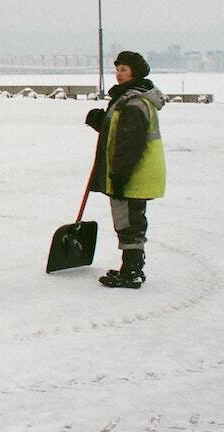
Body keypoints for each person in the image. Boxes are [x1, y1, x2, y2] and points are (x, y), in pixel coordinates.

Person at [84, 50, 167, 289]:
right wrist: (100, 121)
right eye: (118, 69)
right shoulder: (129, 99)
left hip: (133, 173)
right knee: (132, 220)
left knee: (128, 222)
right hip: (136, 172)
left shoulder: (132, 103)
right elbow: (119, 135)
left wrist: (120, 175)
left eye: (124, 70)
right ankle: (131, 268)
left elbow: (129, 144)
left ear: (135, 73)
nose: (119, 74)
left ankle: (131, 272)